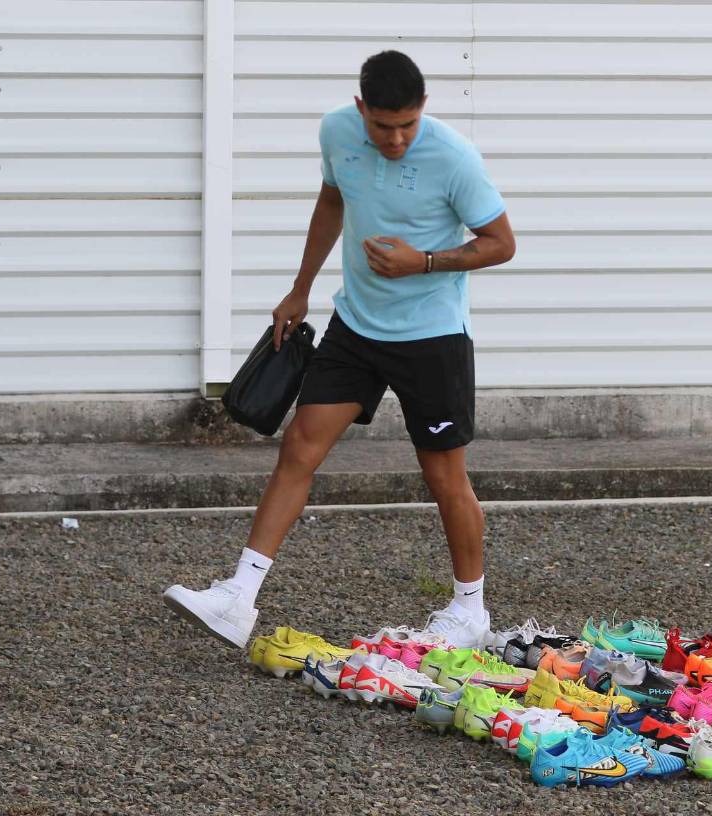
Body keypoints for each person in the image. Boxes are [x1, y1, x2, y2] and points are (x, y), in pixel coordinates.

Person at [163, 50, 516, 651]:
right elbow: (332, 201)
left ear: (423, 109)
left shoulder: (455, 158)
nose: (397, 138)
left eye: (408, 124)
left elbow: (501, 244)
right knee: (300, 446)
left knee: (443, 476)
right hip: (356, 325)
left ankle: (470, 611)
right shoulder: (336, 132)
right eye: (383, 126)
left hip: (432, 337)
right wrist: (299, 290)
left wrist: (424, 262)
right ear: (361, 110)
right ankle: (238, 600)